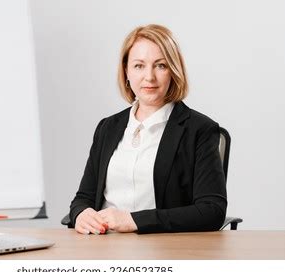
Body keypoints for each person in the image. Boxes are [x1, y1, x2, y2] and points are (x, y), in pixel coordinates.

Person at [69, 24, 227, 234]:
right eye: (138, 66)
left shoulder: (199, 130)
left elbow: (212, 211)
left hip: (165, 250)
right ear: (126, 70)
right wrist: (81, 214)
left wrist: (134, 221)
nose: (149, 77)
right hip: (104, 247)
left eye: (160, 66)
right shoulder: (108, 127)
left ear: (173, 70)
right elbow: (83, 198)